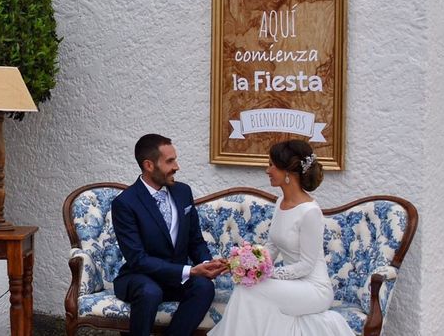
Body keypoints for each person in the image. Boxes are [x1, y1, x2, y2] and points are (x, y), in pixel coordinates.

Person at [208, 140, 354, 336]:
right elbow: (271, 247)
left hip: (314, 288)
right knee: (246, 285)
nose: (267, 170)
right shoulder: (280, 203)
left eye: (271, 165)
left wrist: (266, 273)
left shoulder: (310, 212)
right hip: (292, 284)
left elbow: (306, 265)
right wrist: (242, 263)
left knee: (248, 290)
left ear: (288, 172)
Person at [112, 134, 228, 335]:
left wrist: (208, 263)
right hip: (140, 277)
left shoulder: (183, 192)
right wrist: (189, 271)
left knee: (204, 287)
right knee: (150, 292)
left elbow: (195, 240)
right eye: (170, 161)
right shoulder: (125, 203)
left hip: (175, 279)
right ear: (149, 165)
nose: (177, 166)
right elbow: (138, 260)